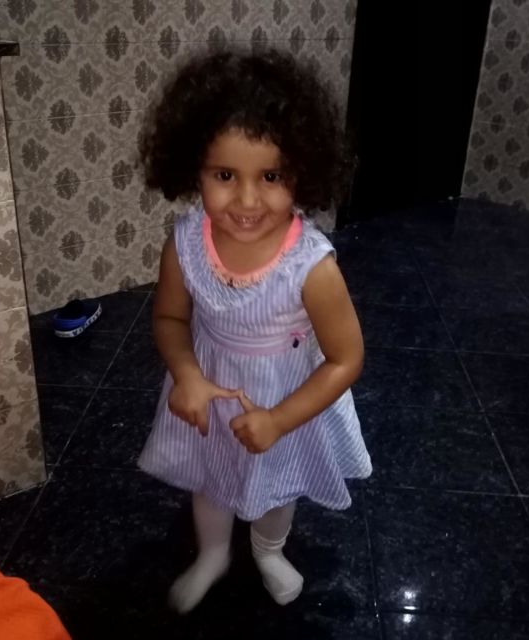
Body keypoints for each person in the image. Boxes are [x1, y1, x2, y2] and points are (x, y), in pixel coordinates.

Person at [137, 49, 372, 614]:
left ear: (302, 172)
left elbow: (346, 358)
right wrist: (187, 375)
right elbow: (170, 318)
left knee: (274, 484)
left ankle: (269, 549)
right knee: (210, 475)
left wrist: (279, 419)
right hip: (211, 386)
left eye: (271, 176)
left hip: (284, 397)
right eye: (224, 175)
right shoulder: (185, 243)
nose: (246, 200)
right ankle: (214, 553)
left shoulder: (311, 267)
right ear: (194, 169)